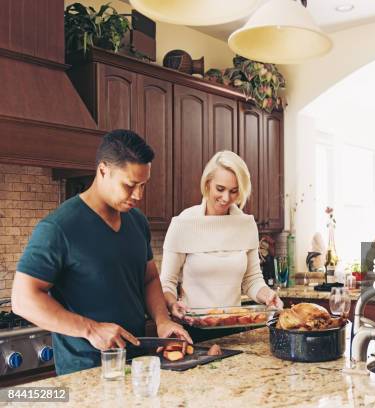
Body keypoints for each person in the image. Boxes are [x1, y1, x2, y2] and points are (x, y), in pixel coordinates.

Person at [11, 129, 192, 376]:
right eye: (130, 185)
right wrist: (91, 329)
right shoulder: (59, 227)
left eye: (143, 185)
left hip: (137, 364)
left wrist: (162, 321)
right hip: (85, 371)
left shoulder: (137, 221)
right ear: (103, 170)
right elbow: (23, 300)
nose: (138, 195)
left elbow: (148, 278)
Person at [160, 151, 283, 341]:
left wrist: (268, 295)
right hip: (192, 331)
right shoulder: (184, 224)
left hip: (236, 330)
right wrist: (171, 303)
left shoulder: (245, 224)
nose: (226, 198)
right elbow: (166, 282)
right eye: (220, 188)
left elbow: (251, 279)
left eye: (234, 191)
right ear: (207, 183)